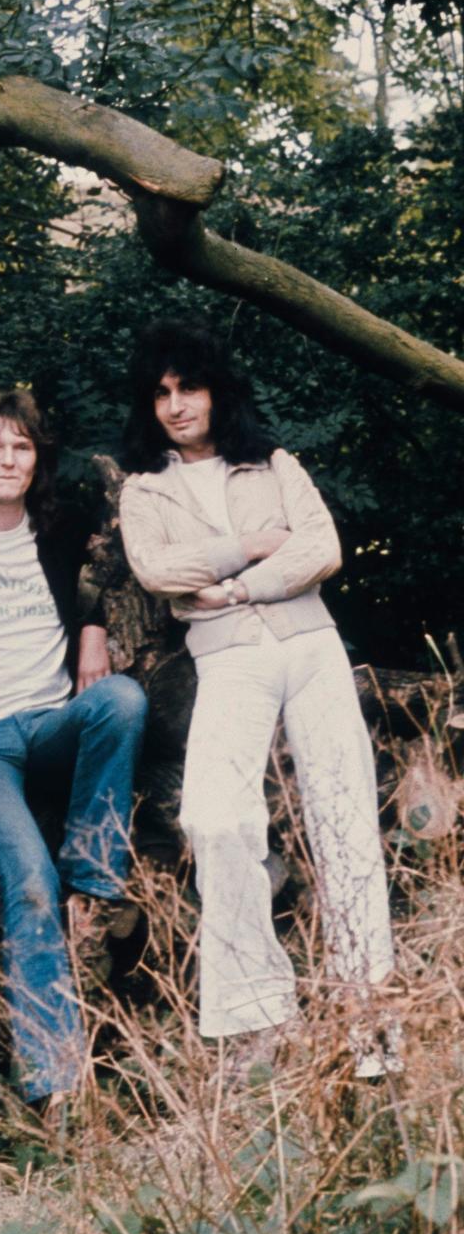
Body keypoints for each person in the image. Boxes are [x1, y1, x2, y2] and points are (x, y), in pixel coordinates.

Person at [118, 318, 397, 1076]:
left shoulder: (271, 461)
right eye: (162, 394)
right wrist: (250, 544)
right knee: (215, 818)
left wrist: (237, 584)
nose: (176, 406)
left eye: (189, 388)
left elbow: (323, 548)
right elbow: (155, 569)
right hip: (230, 660)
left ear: (216, 390)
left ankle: (369, 1023)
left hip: (309, 645)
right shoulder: (144, 489)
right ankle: (258, 1016)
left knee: (343, 818)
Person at [0, 389, 148, 1105]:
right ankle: (55, 1082)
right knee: (26, 882)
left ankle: (97, 874)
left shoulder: (60, 530)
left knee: (123, 699)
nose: (8, 459)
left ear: (37, 460)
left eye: (21, 446)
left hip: (52, 721)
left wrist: (91, 628)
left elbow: (104, 580)